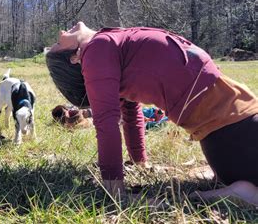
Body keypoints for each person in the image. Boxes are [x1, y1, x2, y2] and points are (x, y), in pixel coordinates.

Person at [45, 22, 258, 206]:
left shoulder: (108, 44)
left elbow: (130, 109)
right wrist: (116, 192)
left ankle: (236, 186)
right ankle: (239, 193)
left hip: (234, 131)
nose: (62, 33)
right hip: (234, 130)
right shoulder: (95, 50)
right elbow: (107, 123)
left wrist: (140, 162)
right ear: (75, 58)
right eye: (58, 44)